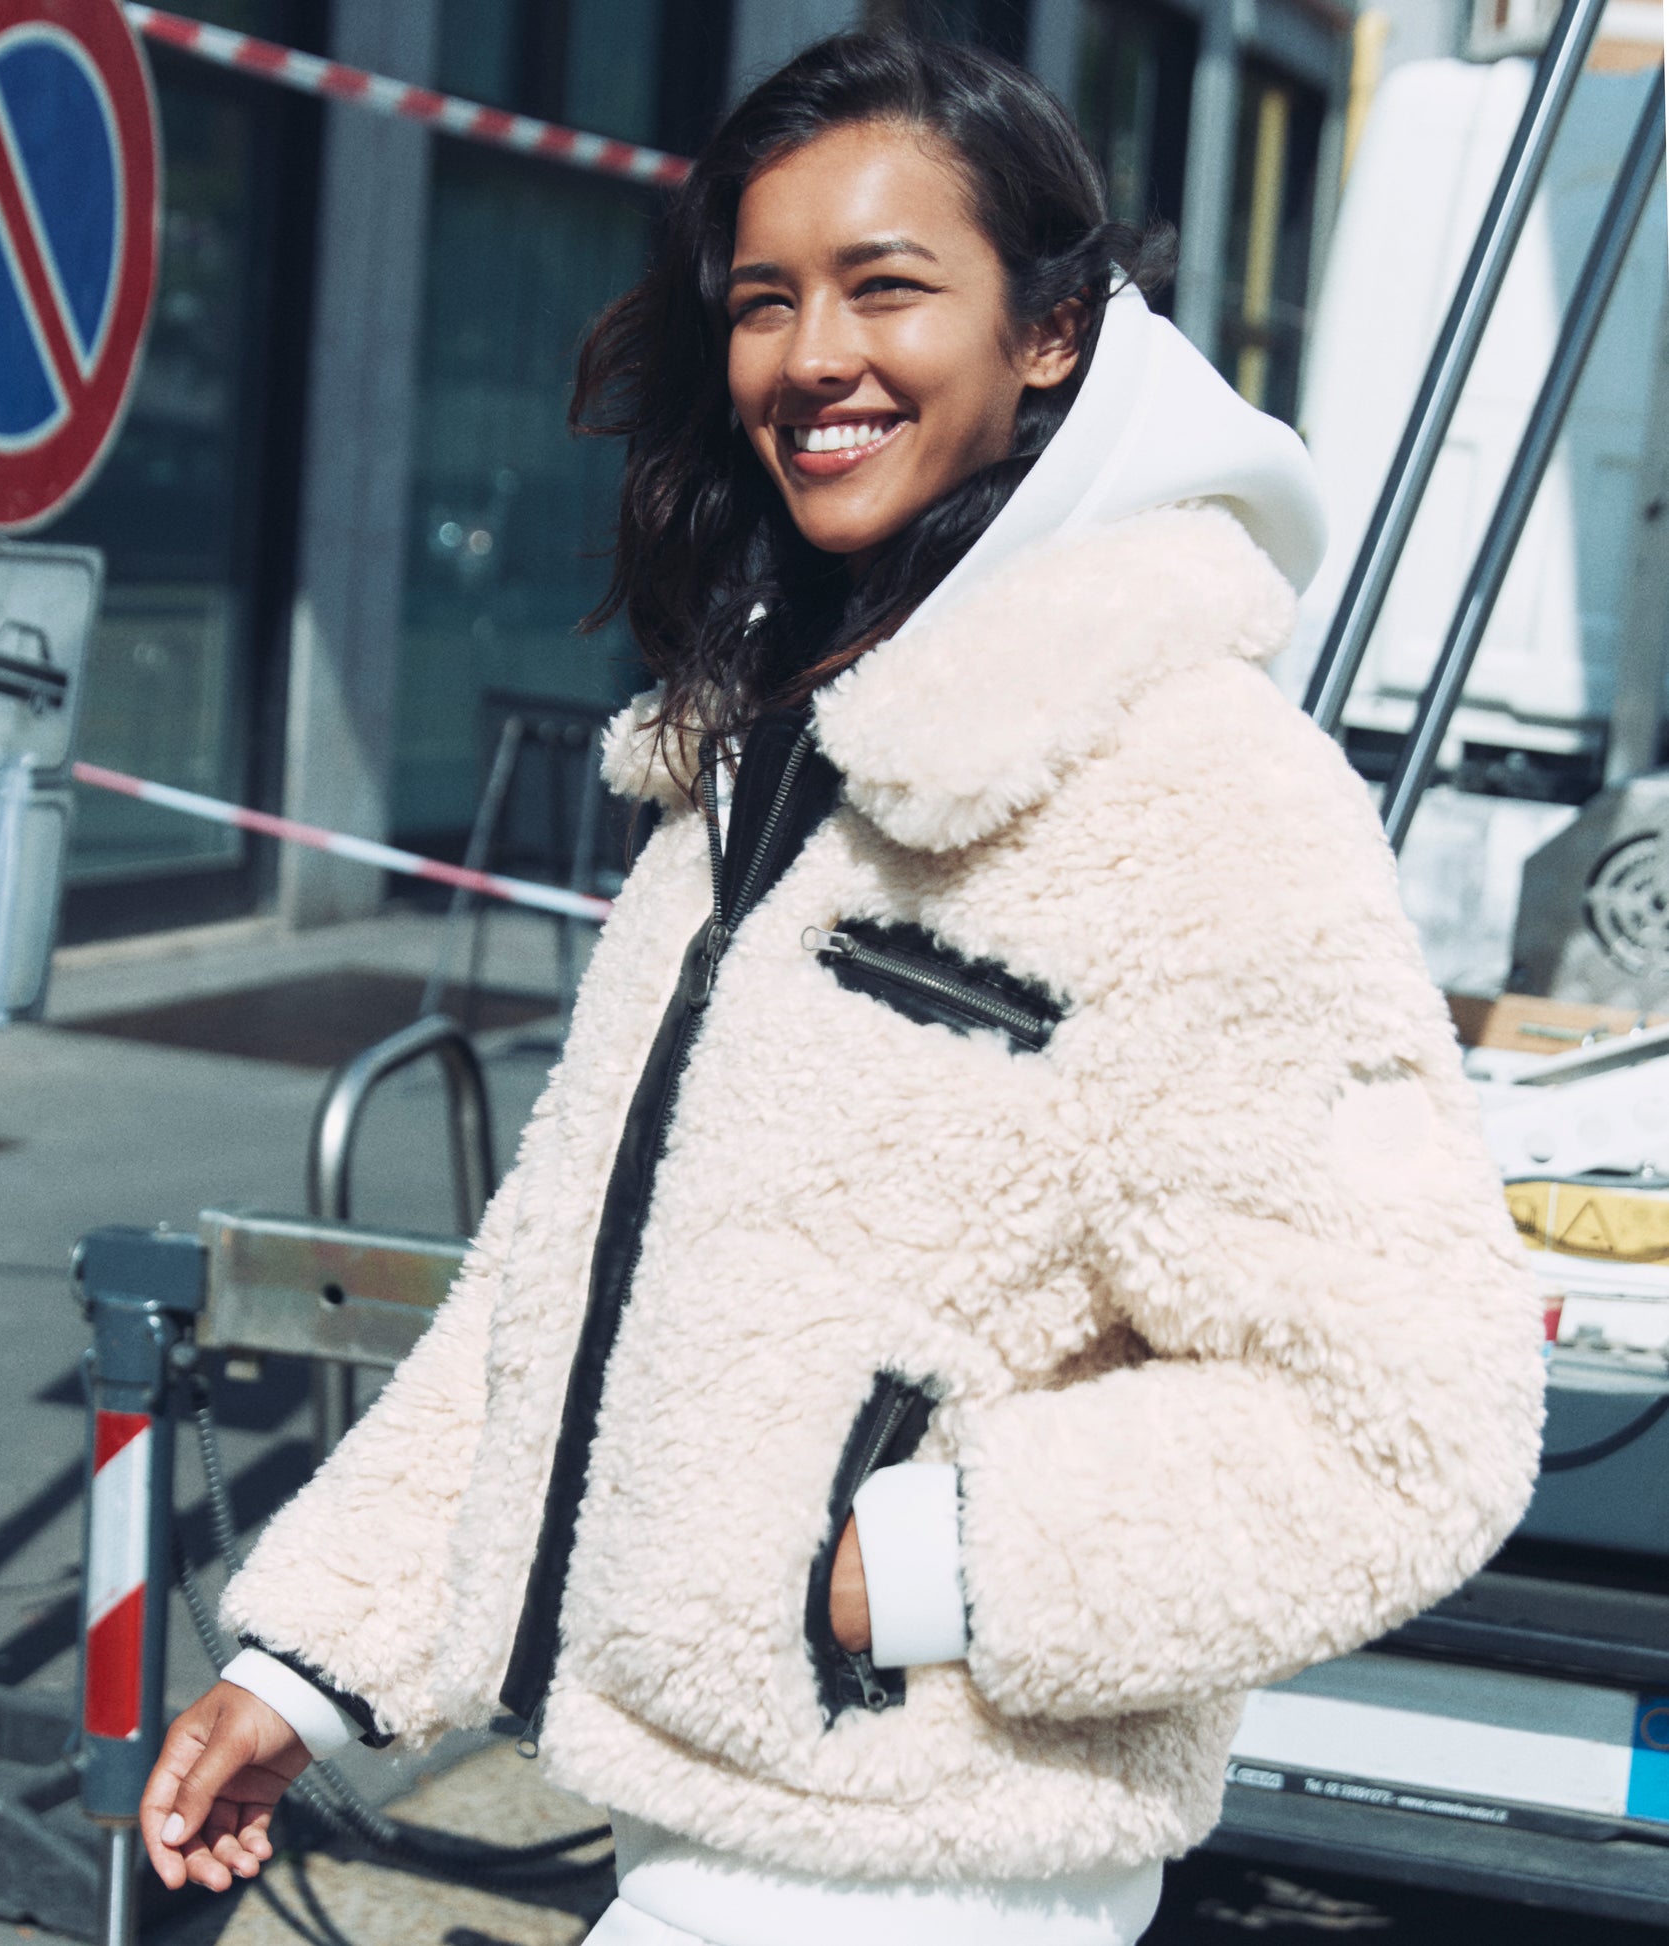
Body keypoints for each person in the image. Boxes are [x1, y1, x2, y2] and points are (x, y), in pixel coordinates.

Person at [139, 34, 1547, 1946]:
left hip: (938, 1866)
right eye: (765, 299)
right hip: (699, 1837)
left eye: (889, 286)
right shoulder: (772, 745)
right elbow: (577, 1267)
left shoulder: (1185, 779)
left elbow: (1408, 1417)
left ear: (1051, 332)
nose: (814, 358)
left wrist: (921, 1560)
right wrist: (314, 1665)